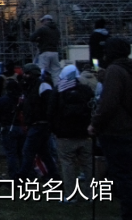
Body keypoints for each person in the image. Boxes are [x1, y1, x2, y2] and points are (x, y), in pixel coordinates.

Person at [89, 37, 132, 220]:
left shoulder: (115, 71)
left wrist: (95, 124)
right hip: (128, 130)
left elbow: (108, 104)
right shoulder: (127, 69)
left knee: (123, 177)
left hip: (117, 131)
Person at [50, 64, 94, 194]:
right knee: (88, 164)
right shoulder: (86, 90)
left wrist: (55, 130)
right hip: (85, 133)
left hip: (64, 135)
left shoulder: (59, 91)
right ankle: (90, 193)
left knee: (67, 165)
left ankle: (70, 194)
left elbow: (51, 112)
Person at [15, 63, 58, 180]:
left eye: (27, 74)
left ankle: (22, 177)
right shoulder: (30, 88)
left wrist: (48, 121)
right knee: (44, 154)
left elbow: (50, 105)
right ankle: (55, 176)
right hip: (35, 124)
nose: (25, 76)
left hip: (40, 124)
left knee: (28, 150)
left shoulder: (43, 86)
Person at [29, 15, 61, 86]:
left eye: (42, 21)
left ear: (45, 21)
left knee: (42, 70)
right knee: (56, 72)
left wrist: (39, 40)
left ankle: (41, 86)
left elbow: (32, 38)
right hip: (55, 52)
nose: (42, 23)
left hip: (45, 52)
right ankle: (57, 89)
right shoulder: (57, 30)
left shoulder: (43, 29)